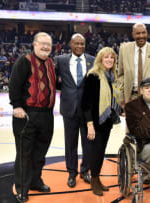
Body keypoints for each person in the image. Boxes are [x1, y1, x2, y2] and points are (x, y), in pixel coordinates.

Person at [9, 32, 56, 202]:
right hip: (27, 114)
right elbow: (14, 83)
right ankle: (22, 188)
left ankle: (36, 181)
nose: (45, 47)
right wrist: (17, 105)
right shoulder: (24, 61)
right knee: (24, 154)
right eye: (42, 43)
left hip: (46, 115)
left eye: (48, 44)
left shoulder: (51, 63)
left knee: (40, 153)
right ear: (34, 44)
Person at [55, 33, 94, 187]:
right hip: (69, 108)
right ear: (70, 44)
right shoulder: (61, 60)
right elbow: (56, 82)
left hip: (87, 110)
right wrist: (67, 91)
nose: (79, 46)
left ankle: (85, 170)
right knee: (70, 143)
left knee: (88, 142)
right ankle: (72, 173)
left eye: (82, 44)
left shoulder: (92, 60)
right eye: (76, 43)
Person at [81, 47, 121, 196]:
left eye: (112, 57)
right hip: (95, 122)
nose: (109, 60)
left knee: (100, 152)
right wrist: (89, 125)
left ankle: (97, 179)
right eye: (106, 57)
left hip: (107, 122)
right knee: (95, 152)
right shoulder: (93, 76)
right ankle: (94, 180)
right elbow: (86, 103)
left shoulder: (112, 77)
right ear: (100, 59)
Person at [117, 23, 150, 109]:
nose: (141, 36)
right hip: (131, 97)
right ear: (133, 35)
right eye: (138, 33)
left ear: (147, 33)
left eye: (143, 33)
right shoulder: (124, 49)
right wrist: (121, 97)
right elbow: (121, 75)